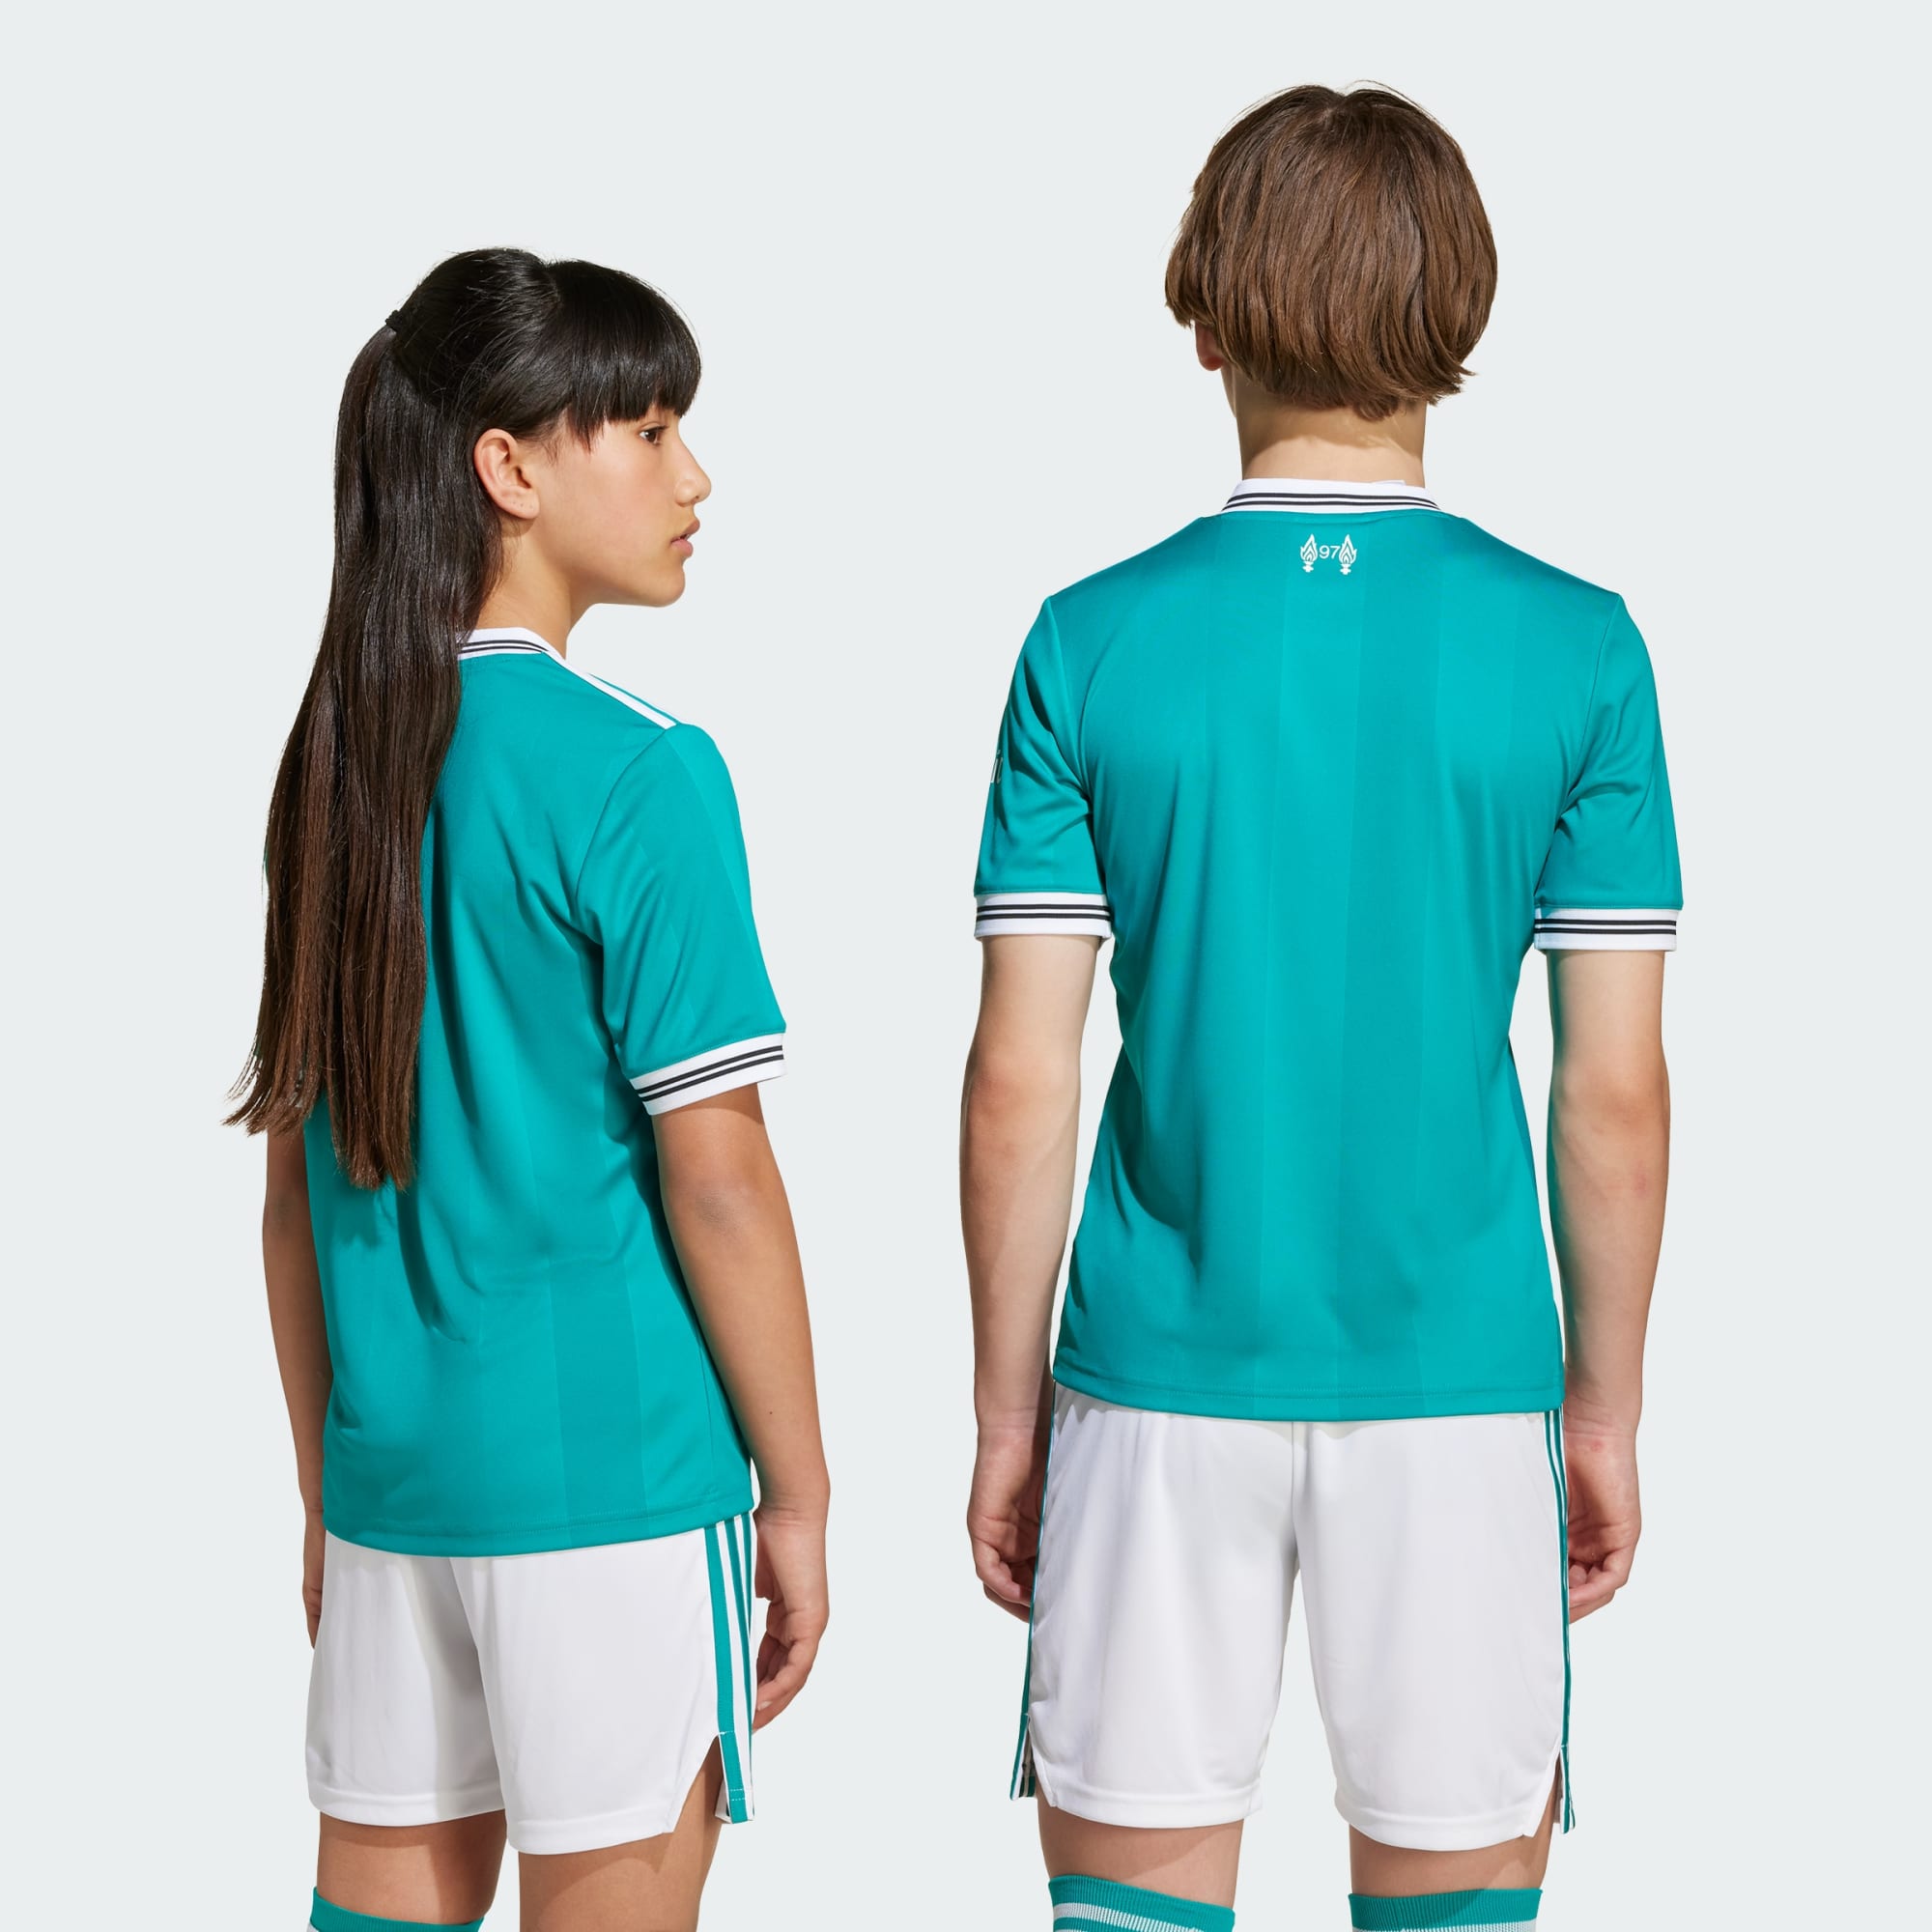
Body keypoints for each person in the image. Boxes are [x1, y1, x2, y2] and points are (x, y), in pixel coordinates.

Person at [961, 86, 1677, 1932]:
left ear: (1205, 320)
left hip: (1151, 1380)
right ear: (1460, 314)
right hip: (1462, 1391)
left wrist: (1009, 1423)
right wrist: (1603, 1414)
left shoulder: (1085, 641)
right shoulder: (1582, 649)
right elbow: (1610, 1095)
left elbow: (1023, 1077)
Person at [229, 248, 830, 1932]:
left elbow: (291, 1198)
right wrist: (800, 1494)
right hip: (613, 1491)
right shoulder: (641, 772)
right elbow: (722, 1179)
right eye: (647, 430)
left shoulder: (337, 770)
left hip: (392, 1494)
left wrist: (327, 1498)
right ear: (510, 467)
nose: (693, 477)